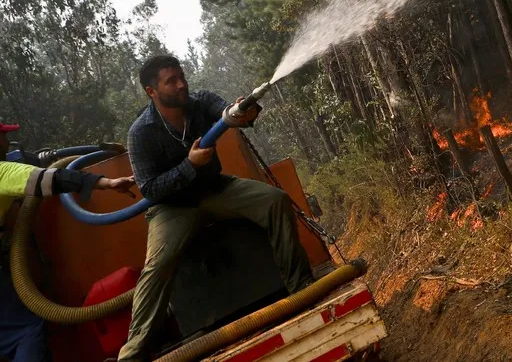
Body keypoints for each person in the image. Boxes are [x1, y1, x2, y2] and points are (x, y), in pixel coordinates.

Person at [118, 55, 313, 362]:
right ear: (151, 91)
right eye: (172, 81)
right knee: (157, 266)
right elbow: (150, 189)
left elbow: (227, 113)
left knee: (274, 201)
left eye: (182, 77)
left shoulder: (200, 101)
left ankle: (302, 289)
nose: (182, 84)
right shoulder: (140, 133)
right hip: (173, 208)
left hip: (216, 189)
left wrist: (244, 112)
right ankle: (133, 353)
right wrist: (189, 166)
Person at [0, 122, 135, 362]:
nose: (7, 143)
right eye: (3, 137)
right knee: (25, 333)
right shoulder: (3, 172)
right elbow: (48, 179)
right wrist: (104, 182)